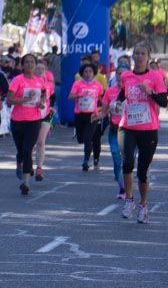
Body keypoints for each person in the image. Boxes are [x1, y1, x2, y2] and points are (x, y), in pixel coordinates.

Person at [117, 41, 167, 224]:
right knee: (128, 162)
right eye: (136, 53)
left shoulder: (155, 76)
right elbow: (122, 94)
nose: (138, 56)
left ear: (148, 57)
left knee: (143, 171)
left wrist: (151, 92)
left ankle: (143, 205)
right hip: (127, 126)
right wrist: (116, 103)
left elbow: (164, 102)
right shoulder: (126, 76)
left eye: (142, 53)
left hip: (148, 129)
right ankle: (129, 201)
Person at [6, 54, 47, 196]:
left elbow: (44, 93)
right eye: (27, 62)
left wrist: (42, 102)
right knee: (21, 151)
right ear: (22, 65)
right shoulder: (17, 80)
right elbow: (9, 100)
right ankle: (20, 163)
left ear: (36, 65)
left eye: (32, 62)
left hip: (34, 121)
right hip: (17, 121)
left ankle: (25, 182)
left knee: (27, 150)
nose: (30, 65)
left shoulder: (39, 80)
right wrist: (24, 100)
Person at [69, 63, 105, 171]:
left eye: (90, 72)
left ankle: (85, 161)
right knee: (81, 138)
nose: (88, 74)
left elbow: (101, 99)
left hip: (92, 115)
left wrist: (99, 112)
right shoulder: (77, 84)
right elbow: (70, 97)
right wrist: (79, 95)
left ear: (94, 73)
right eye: (85, 72)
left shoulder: (98, 85)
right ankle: (87, 151)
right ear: (82, 73)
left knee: (87, 138)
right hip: (79, 114)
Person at [100, 65, 128, 199]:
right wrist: (97, 116)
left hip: (130, 131)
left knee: (127, 161)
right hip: (114, 130)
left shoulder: (132, 91)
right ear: (115, 75)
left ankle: (127, 186)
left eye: (124, 74)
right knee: (117, 161)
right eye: (118, 74)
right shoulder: (110, 92)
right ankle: (122, 187)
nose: (121, 76)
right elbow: (104, 112)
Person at [32, 58, 57, 181]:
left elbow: (52, 97)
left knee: (41, 141)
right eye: (38, 68)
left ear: (46, 70)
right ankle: (27, 162)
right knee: (31, 142)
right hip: (31, 114)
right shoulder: (29, 82)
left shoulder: (49, 84)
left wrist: (51, 106)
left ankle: (39, 168)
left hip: (46, 114)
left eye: (42, 69)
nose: (40, 70)